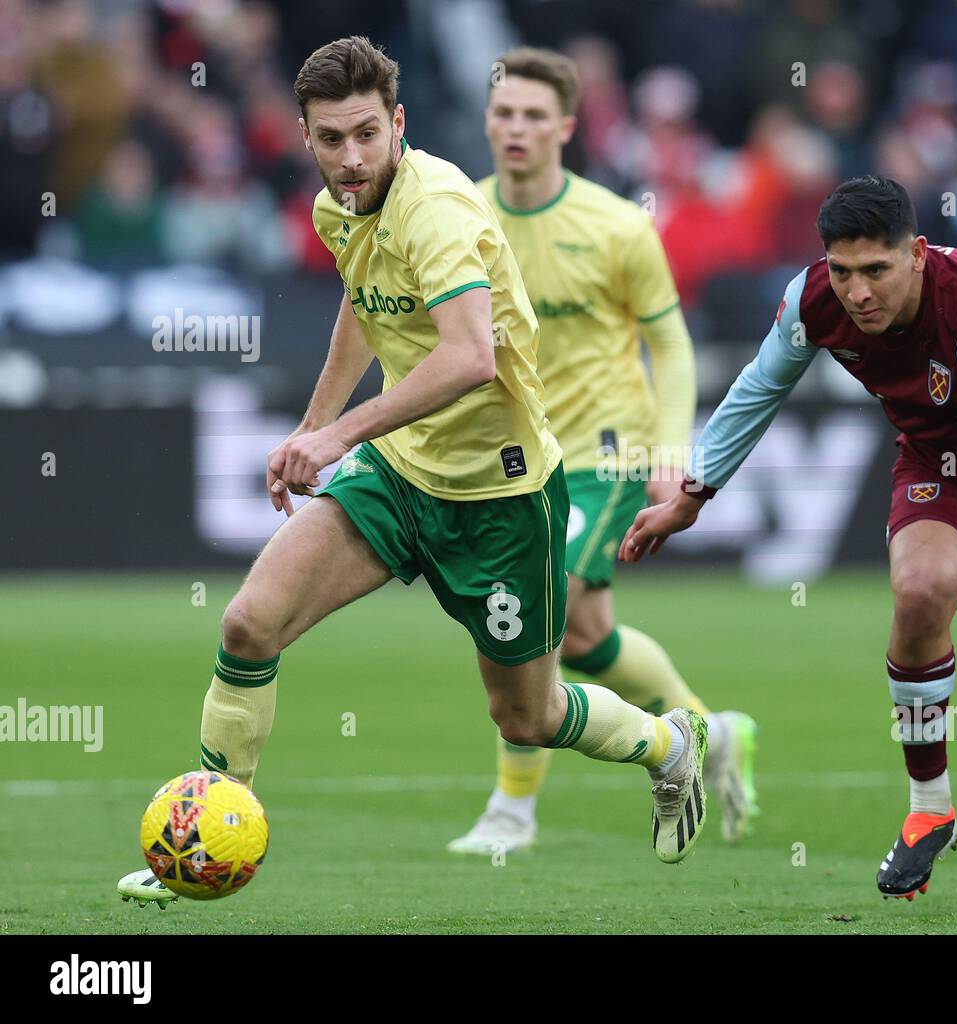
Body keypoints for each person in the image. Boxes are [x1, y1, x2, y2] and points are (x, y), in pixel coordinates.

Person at [117, 36, 708, 909]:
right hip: (398, 474)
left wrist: (337, 435)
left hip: (501, 493)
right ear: (306, 137)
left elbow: (471, 357)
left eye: (365, 134)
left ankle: (669, 747)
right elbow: (364, 309)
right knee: (248, 625)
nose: (349, 159)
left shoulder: (435, 208)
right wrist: (313, 428)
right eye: (329, 139)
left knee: (530, 718)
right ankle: (198, 845)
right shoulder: (337, 207)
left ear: (398, 122)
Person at [621, 176, 957, 910]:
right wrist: (693, 495)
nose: (857, 291)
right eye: (843, 270)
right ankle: (931, 806)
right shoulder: (813, 300)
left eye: (876, 271)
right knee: (918, 590)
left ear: (917, 254)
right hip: (940, 467)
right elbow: (761, 386)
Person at [445, 47, 758, 857]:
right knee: (586, 637)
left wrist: (670, 449)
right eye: (504, 113)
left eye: (533, 116)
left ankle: (512, 813)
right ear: (488, 121)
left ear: (566, 127)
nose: (516, 129)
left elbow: (672, 344)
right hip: (514, 459)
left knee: (534, 610)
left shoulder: (618, 226)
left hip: (605, 453)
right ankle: (713, 735)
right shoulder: (460, 218)